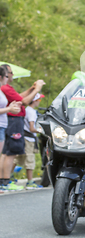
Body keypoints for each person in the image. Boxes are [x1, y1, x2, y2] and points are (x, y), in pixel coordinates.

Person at [0, 64, 45, 192]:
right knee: (10, 152)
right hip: (13, 120)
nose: (12, 75)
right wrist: (37, 90)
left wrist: (32, 88)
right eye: (10, 73)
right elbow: (24, 102)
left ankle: (4, 181)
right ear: (5, 75)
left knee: (7, 152)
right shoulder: (4, 88)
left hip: (12, 121)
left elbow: (20, 97)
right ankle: (5, 181)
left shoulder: (7, 88)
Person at [14, 93, 45, 189]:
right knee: (30, 160)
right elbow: (32, 128)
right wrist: (42, 130)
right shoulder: (31, 111)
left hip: (24, 138)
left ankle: (9, 177)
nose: (39, 102)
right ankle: (30, 182)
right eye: (38, 100)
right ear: (34, 101)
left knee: (18, 158)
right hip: (29, 139)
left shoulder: (27, 110)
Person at [0, 65, 22, 190]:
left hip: (3, 125)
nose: (7, 79)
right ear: (1, 77)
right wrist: (9, 109)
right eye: (6, 76)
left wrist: (12, 105)